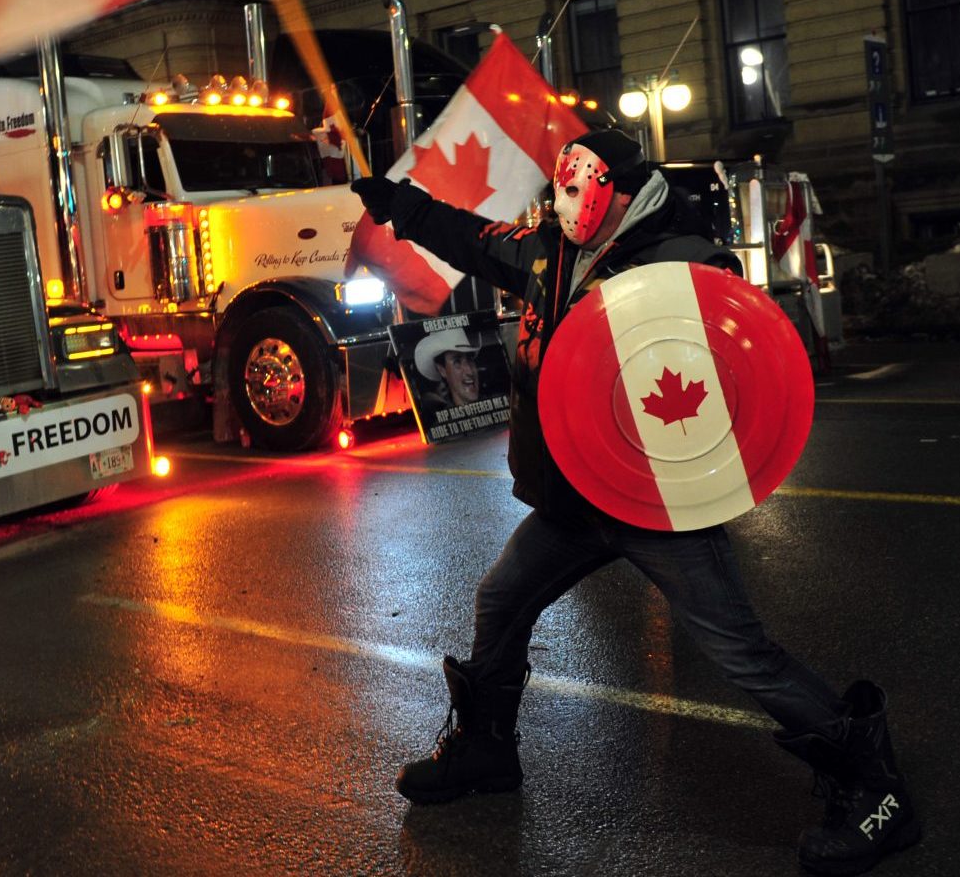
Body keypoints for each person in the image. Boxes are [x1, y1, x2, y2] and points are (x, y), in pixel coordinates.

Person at [351, 129, 918, 875]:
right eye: (562, 190)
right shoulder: (554, 251)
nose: (565, 204)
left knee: (740, 653)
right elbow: (476, 240)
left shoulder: (682, 257)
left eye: (579, 191)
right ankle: (486, 751)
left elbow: (739, 360)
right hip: (575, 495)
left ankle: (877, 791)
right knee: (502, 600)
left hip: (655, 503)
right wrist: (403, 207)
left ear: (616, 190)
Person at [413, 327, 484, 413]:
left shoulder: (499, 407)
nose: (469, 371)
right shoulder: (443, 424)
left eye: (470, 359)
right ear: (442, 370)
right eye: (457, 362)